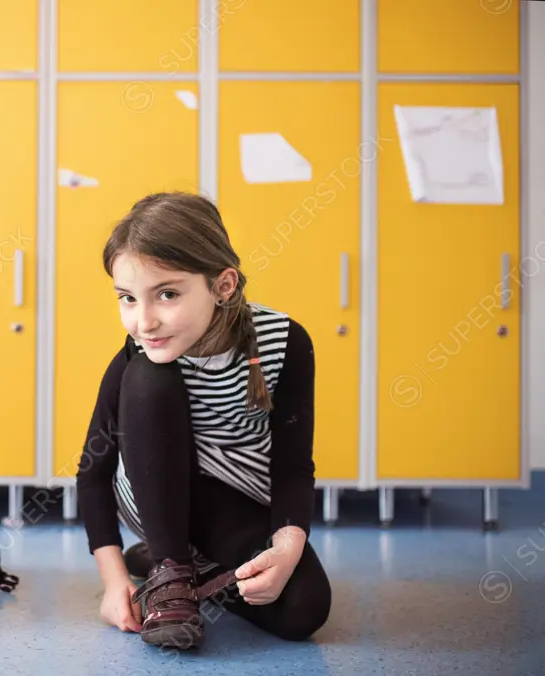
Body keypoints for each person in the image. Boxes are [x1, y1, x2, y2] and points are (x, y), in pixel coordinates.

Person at [75, 191, 332, 650]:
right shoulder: (139, 353)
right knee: (151, 377)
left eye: (167, 294)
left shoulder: (286, 342)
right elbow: (93, 473)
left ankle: (185, 559)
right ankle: (170, 566)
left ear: (223, 285)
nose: (144, 321)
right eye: (128, 298)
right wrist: (114, 585)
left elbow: (293, 466)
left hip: (239, 502)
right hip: (156, 495)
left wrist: (287, 547)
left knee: (304, 610)